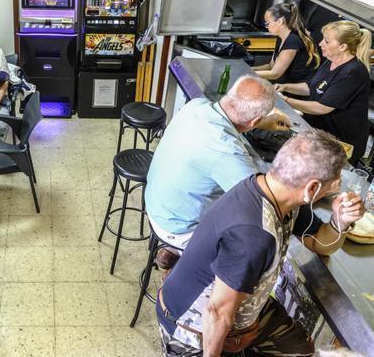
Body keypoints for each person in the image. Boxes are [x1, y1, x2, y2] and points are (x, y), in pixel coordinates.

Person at [156, 129, 365, 357]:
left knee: (300, 349)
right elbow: (217, 312)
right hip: (192, 328)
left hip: (242, 311)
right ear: (312, 188)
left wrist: (340, 221)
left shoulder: (277, 192)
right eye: (334, 184)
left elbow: (319, 244)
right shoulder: (254, 235)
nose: (335, 190)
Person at [145, 76, 290, 268]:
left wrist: (260, 123)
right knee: (252, 246)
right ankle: (187, 275)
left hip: (156, 205)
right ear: (254, 120)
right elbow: (264, 199)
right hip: (178, 228)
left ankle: (175, 252)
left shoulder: (196, 106)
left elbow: (228, 119)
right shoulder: (227, 150)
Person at [276, 21, 371, 164]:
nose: (320, 44)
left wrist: (285, 100)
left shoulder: (352, 72)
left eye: (326, 41)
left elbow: (322, 107)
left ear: (343, 47)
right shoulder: (331, 61)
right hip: (319, 133)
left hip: (340, 142)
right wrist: (285, 87)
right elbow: (311, 87)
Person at [252, 3, 320, 85]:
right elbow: (271, 66)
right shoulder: (280, 38)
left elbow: (275, 74)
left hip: (295, 90)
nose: (266, 27)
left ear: (280, 22)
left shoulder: (292, 40)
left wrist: (248, 74)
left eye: (267, 23)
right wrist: (249, 69)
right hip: (283, 85)